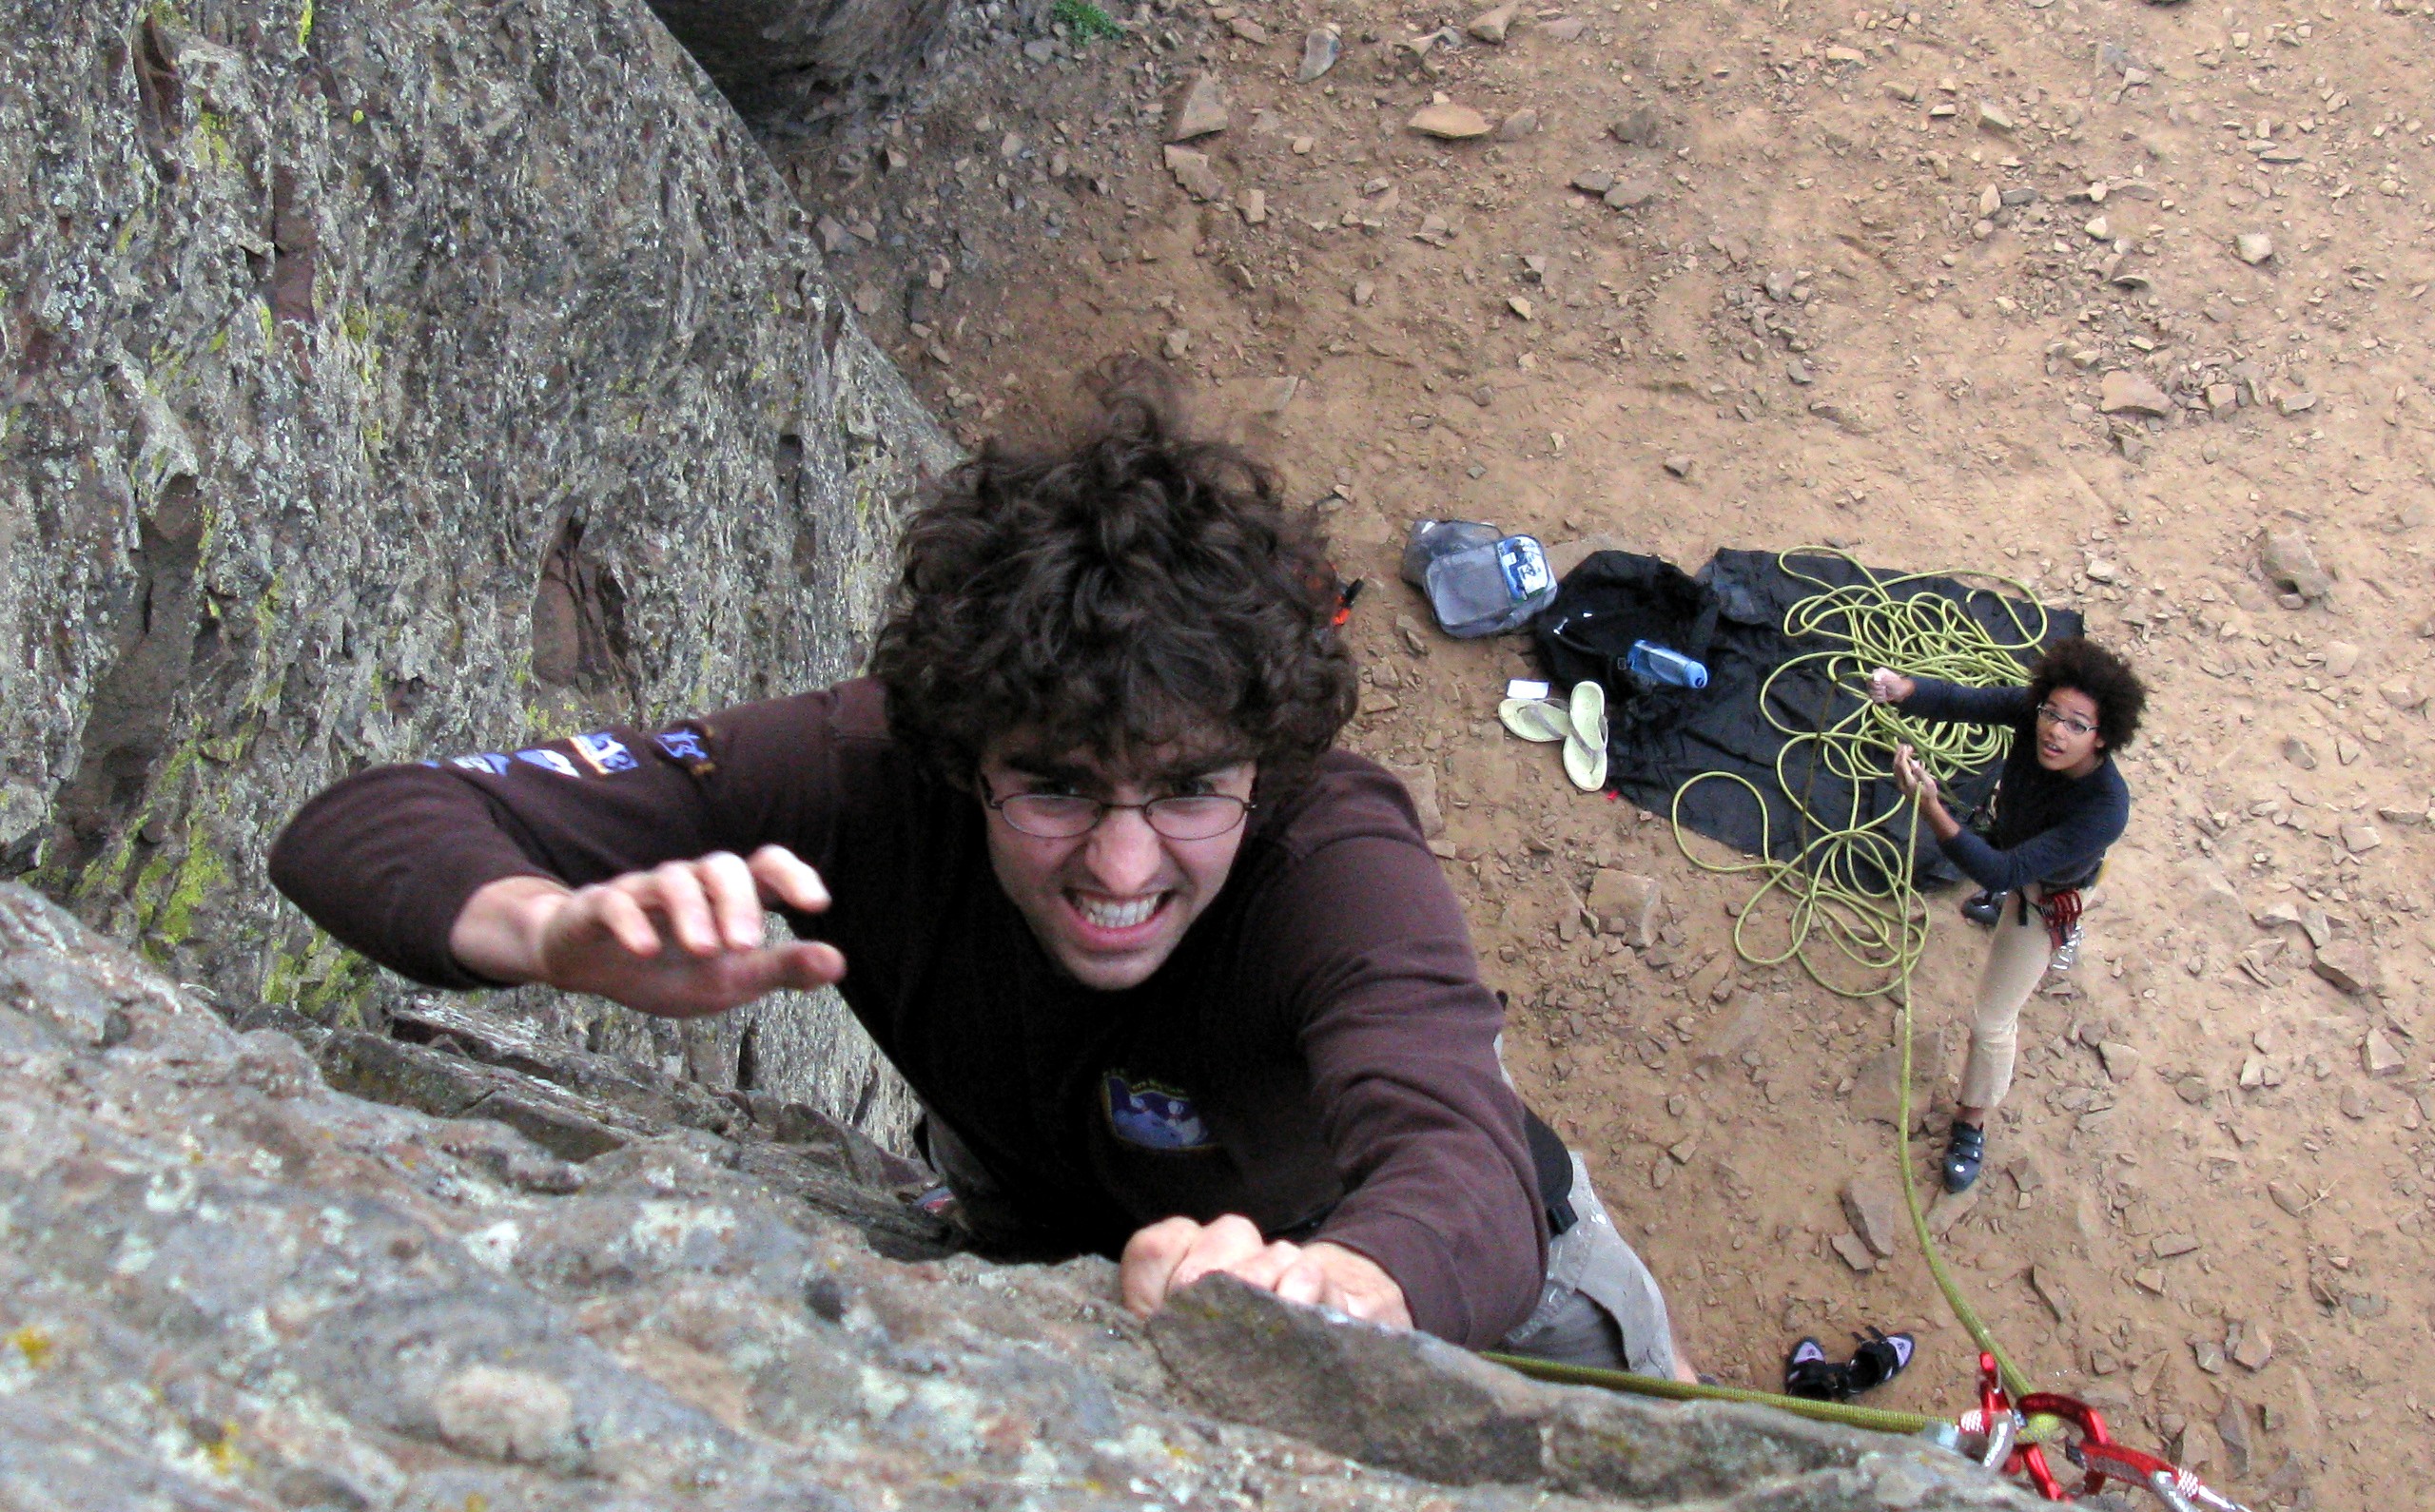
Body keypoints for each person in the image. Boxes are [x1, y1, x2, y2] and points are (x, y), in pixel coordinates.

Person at [269, 376, 1693, 1378]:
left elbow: (1462, 1153)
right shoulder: (865, 771)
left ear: (1264, 765)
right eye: (1058, 785)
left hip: (1440, 1276)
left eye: (1190, 787)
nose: (1122, 864)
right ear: (963, 754)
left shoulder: (1332, 850)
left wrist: (1339, 1294)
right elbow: (369, 824)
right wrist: (549, 927)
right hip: (1049, 1217)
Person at [1870, 637, 2144, 1192]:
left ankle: (1972, 1120)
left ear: (2104, 737)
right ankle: (2017, 919)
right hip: (2014, 845)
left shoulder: (2105, 810)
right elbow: (1967, 701)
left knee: (1992, 1019)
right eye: (2050, 714)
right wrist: (1906, 690)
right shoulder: (2035, 717)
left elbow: (2001, 872)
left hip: (2046, 889)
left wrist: (1930, 808)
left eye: (2075, 724)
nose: (2054, 731)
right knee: (2003, 871)